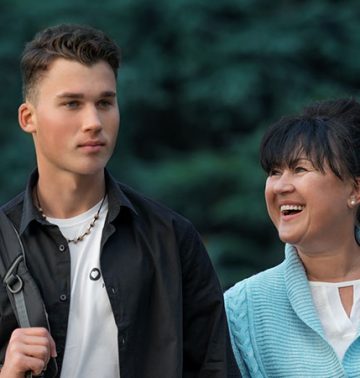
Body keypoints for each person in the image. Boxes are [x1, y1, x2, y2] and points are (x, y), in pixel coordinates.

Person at [0, 24, 239, 378]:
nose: (94, 122)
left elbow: (214, 367)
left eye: (105, 103)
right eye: (72, 104)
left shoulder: (171, 238)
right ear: (28, 118)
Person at [225, 98, 360, 377]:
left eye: (299, 169)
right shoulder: (243, 307)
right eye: (274, 172)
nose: (281, 186)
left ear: (355, 191)